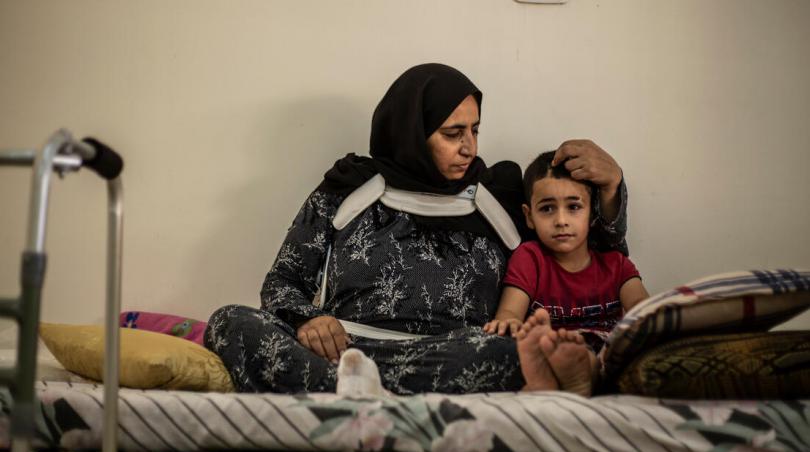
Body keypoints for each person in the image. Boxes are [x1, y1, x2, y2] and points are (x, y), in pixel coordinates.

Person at [204, 63, 629, 394]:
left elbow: (585, 255)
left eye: (475, 130)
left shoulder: (496, 196)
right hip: (347, 354)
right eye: (452, 133)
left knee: (529, 349)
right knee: (230, 322)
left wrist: (610, 186)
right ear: (412, 130)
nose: (470, 147)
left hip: (456, 355)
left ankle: (356, 397)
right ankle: (355, 386)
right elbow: (283, 281)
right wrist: (308, 319)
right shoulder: (348, 188)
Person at [483, 151, 648, 396]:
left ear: (592, 213)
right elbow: (509, 312)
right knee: (530, 350)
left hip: (605, 354)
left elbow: (644, 309)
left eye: (573, 207)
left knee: (622, 354)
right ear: (529, 217)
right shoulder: (530, 258)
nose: (561, 220)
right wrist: (509, 324)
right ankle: (563, 382)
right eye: (547, 209)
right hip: (548, 352)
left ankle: (582, 377)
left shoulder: (617, 265)